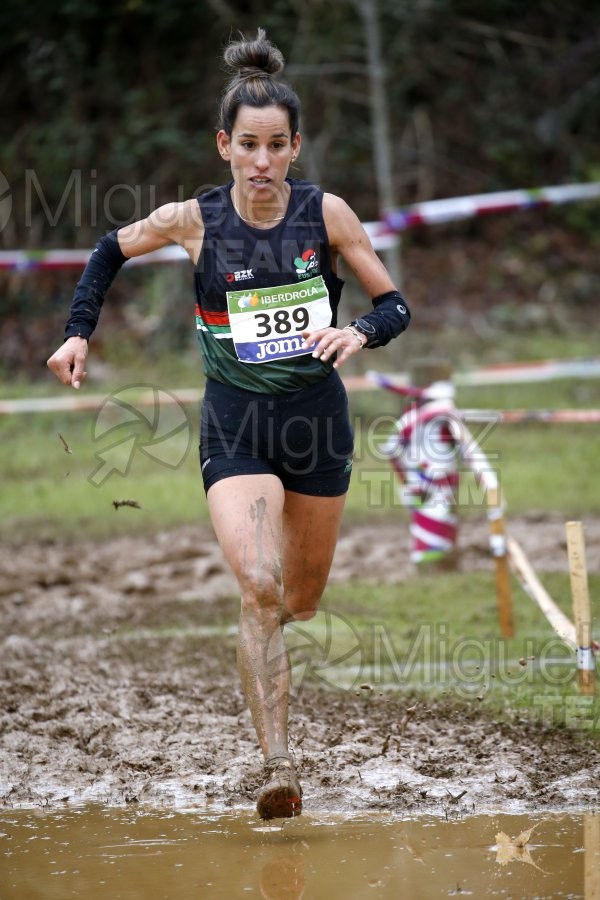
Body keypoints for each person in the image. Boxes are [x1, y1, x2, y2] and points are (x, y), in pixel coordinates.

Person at [47, 28, 411, 820]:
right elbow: (108, 249)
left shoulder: (327, 214)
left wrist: (361, 333)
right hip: (235, 429)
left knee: (301, 601)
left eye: (277, 145)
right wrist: (80, 330)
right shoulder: (193, 221)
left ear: (295, 146)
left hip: (317, 429)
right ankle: (277, 764)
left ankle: (271, 648)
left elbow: (395, 304)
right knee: (258, 587)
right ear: (224, 145)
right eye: (248, 144)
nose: (262, 160)